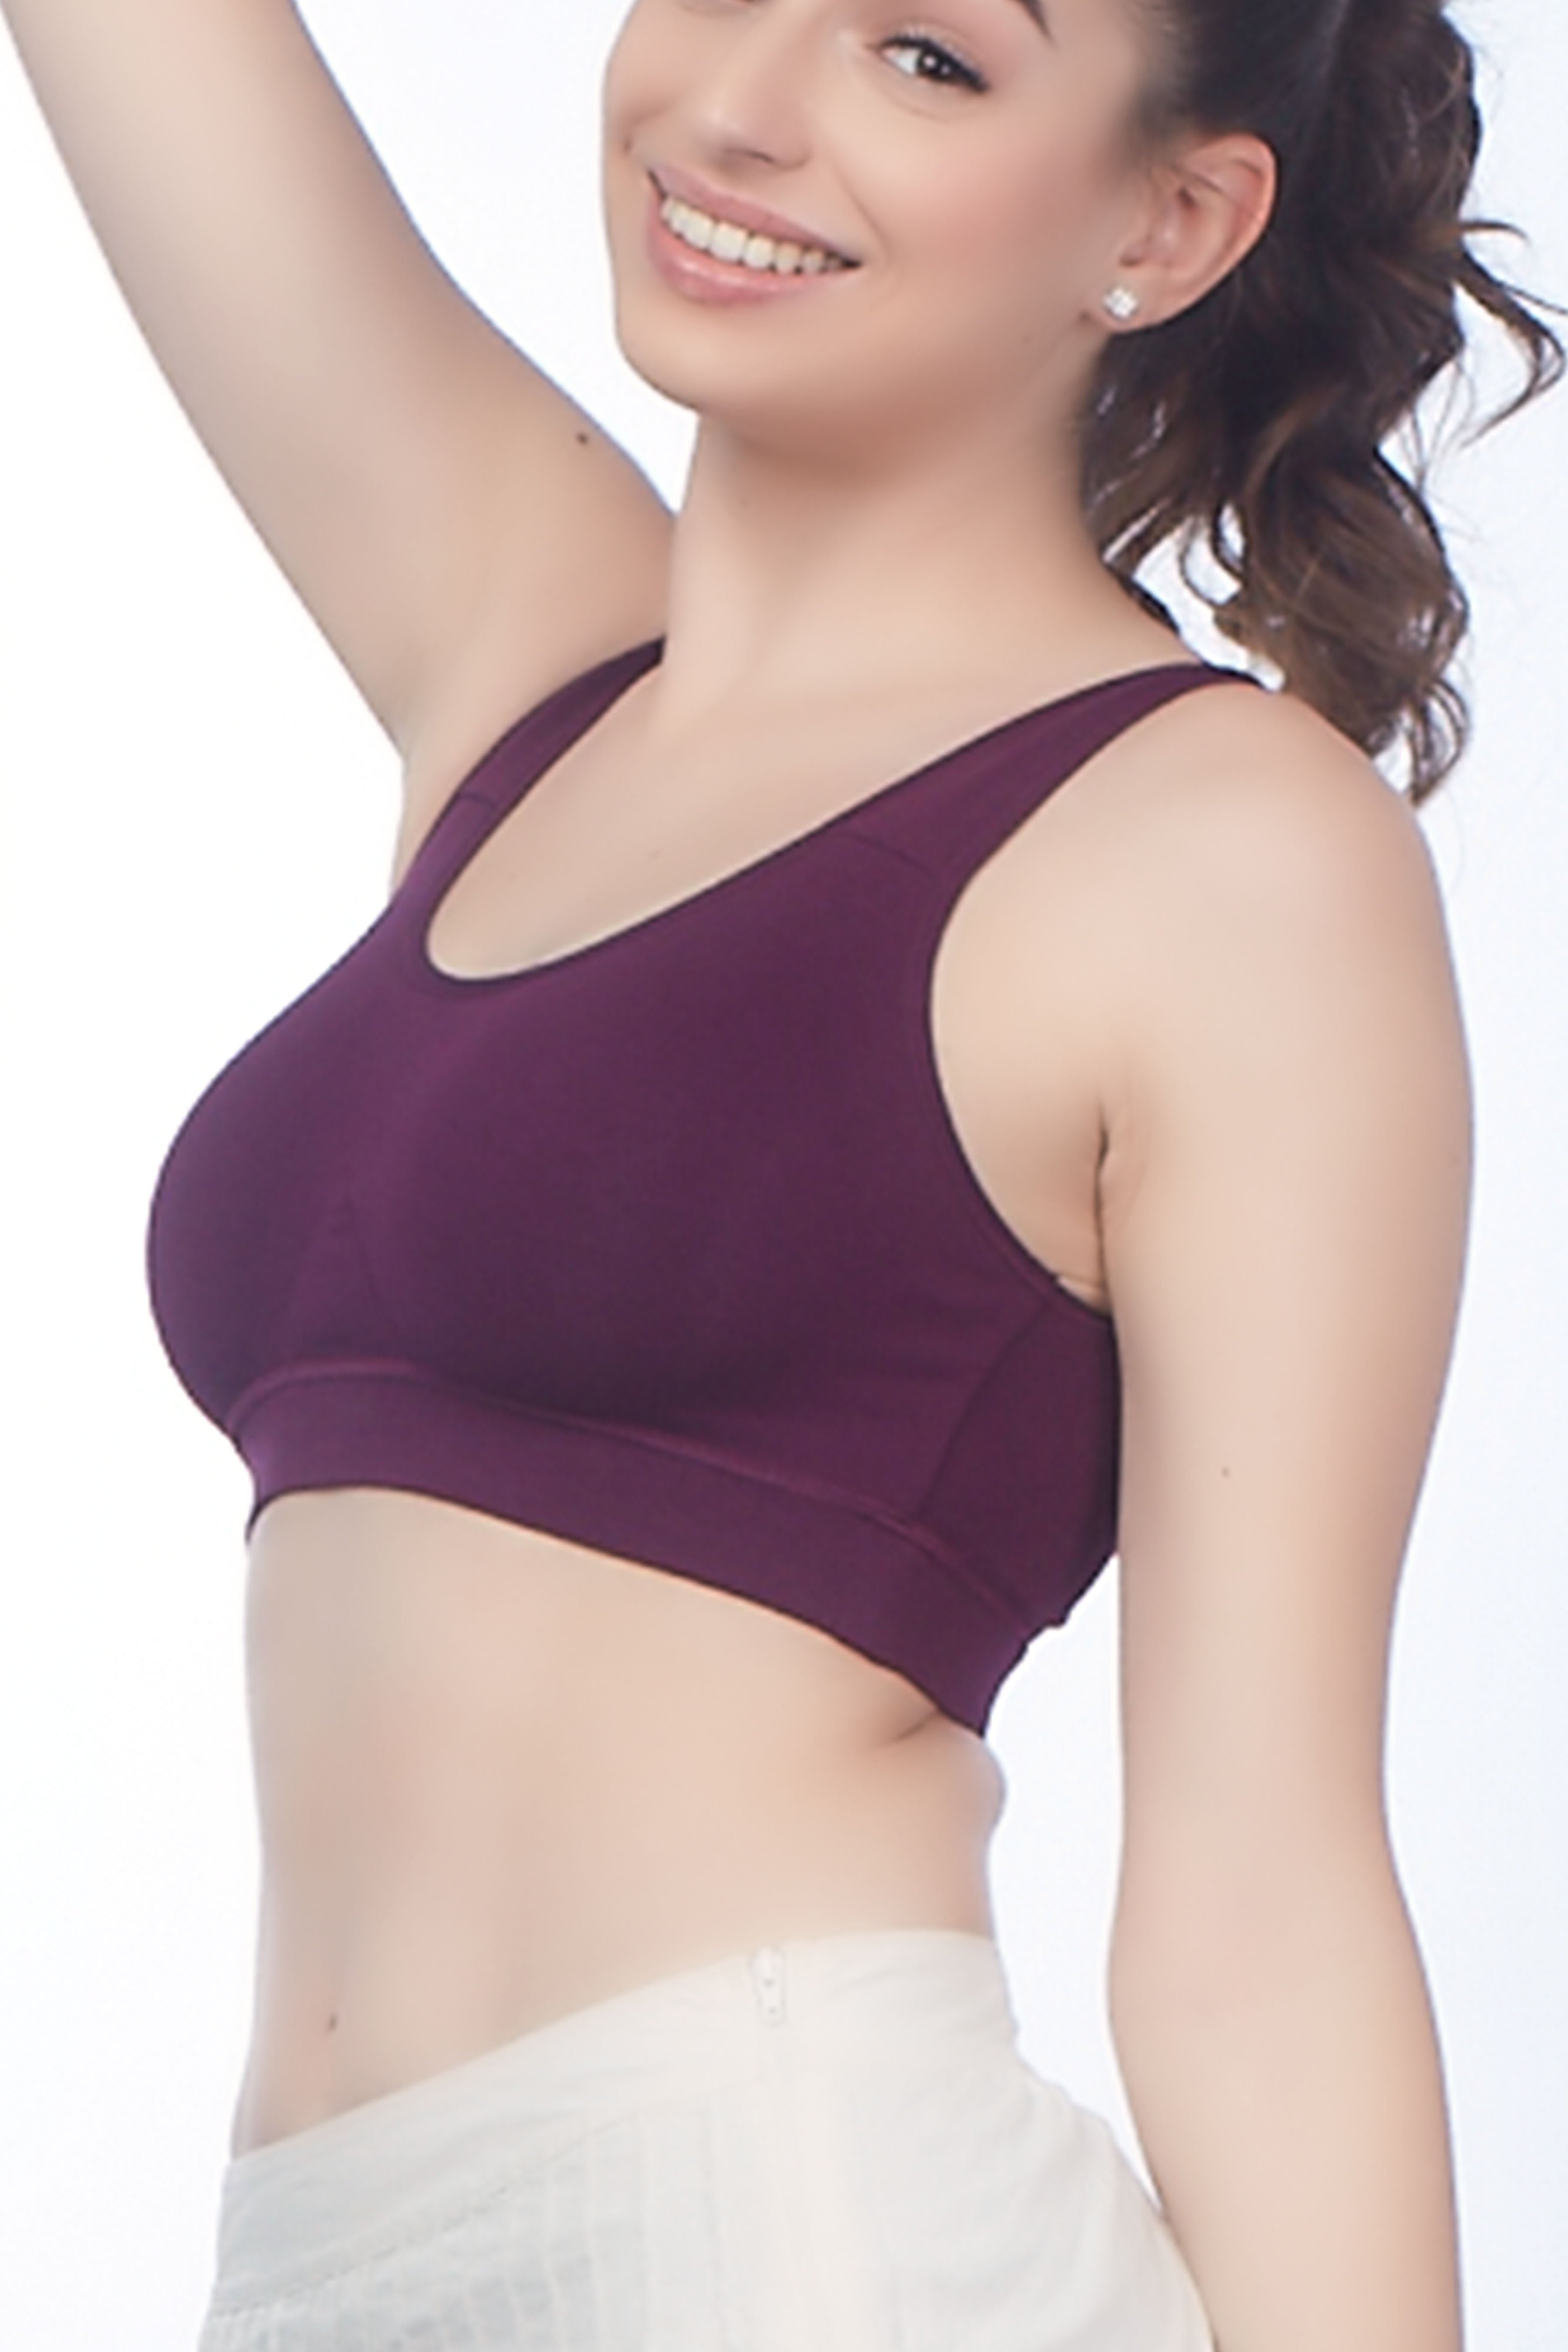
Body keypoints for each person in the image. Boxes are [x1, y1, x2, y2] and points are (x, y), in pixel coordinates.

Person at [2, 0, 1559, 2347]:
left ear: (1171, 219)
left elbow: (1261, 1905)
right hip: (313, 2273)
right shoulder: (526, 654)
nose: (737, 107)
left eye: (928, 57)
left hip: (791, 2251)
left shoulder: (1224, 853)